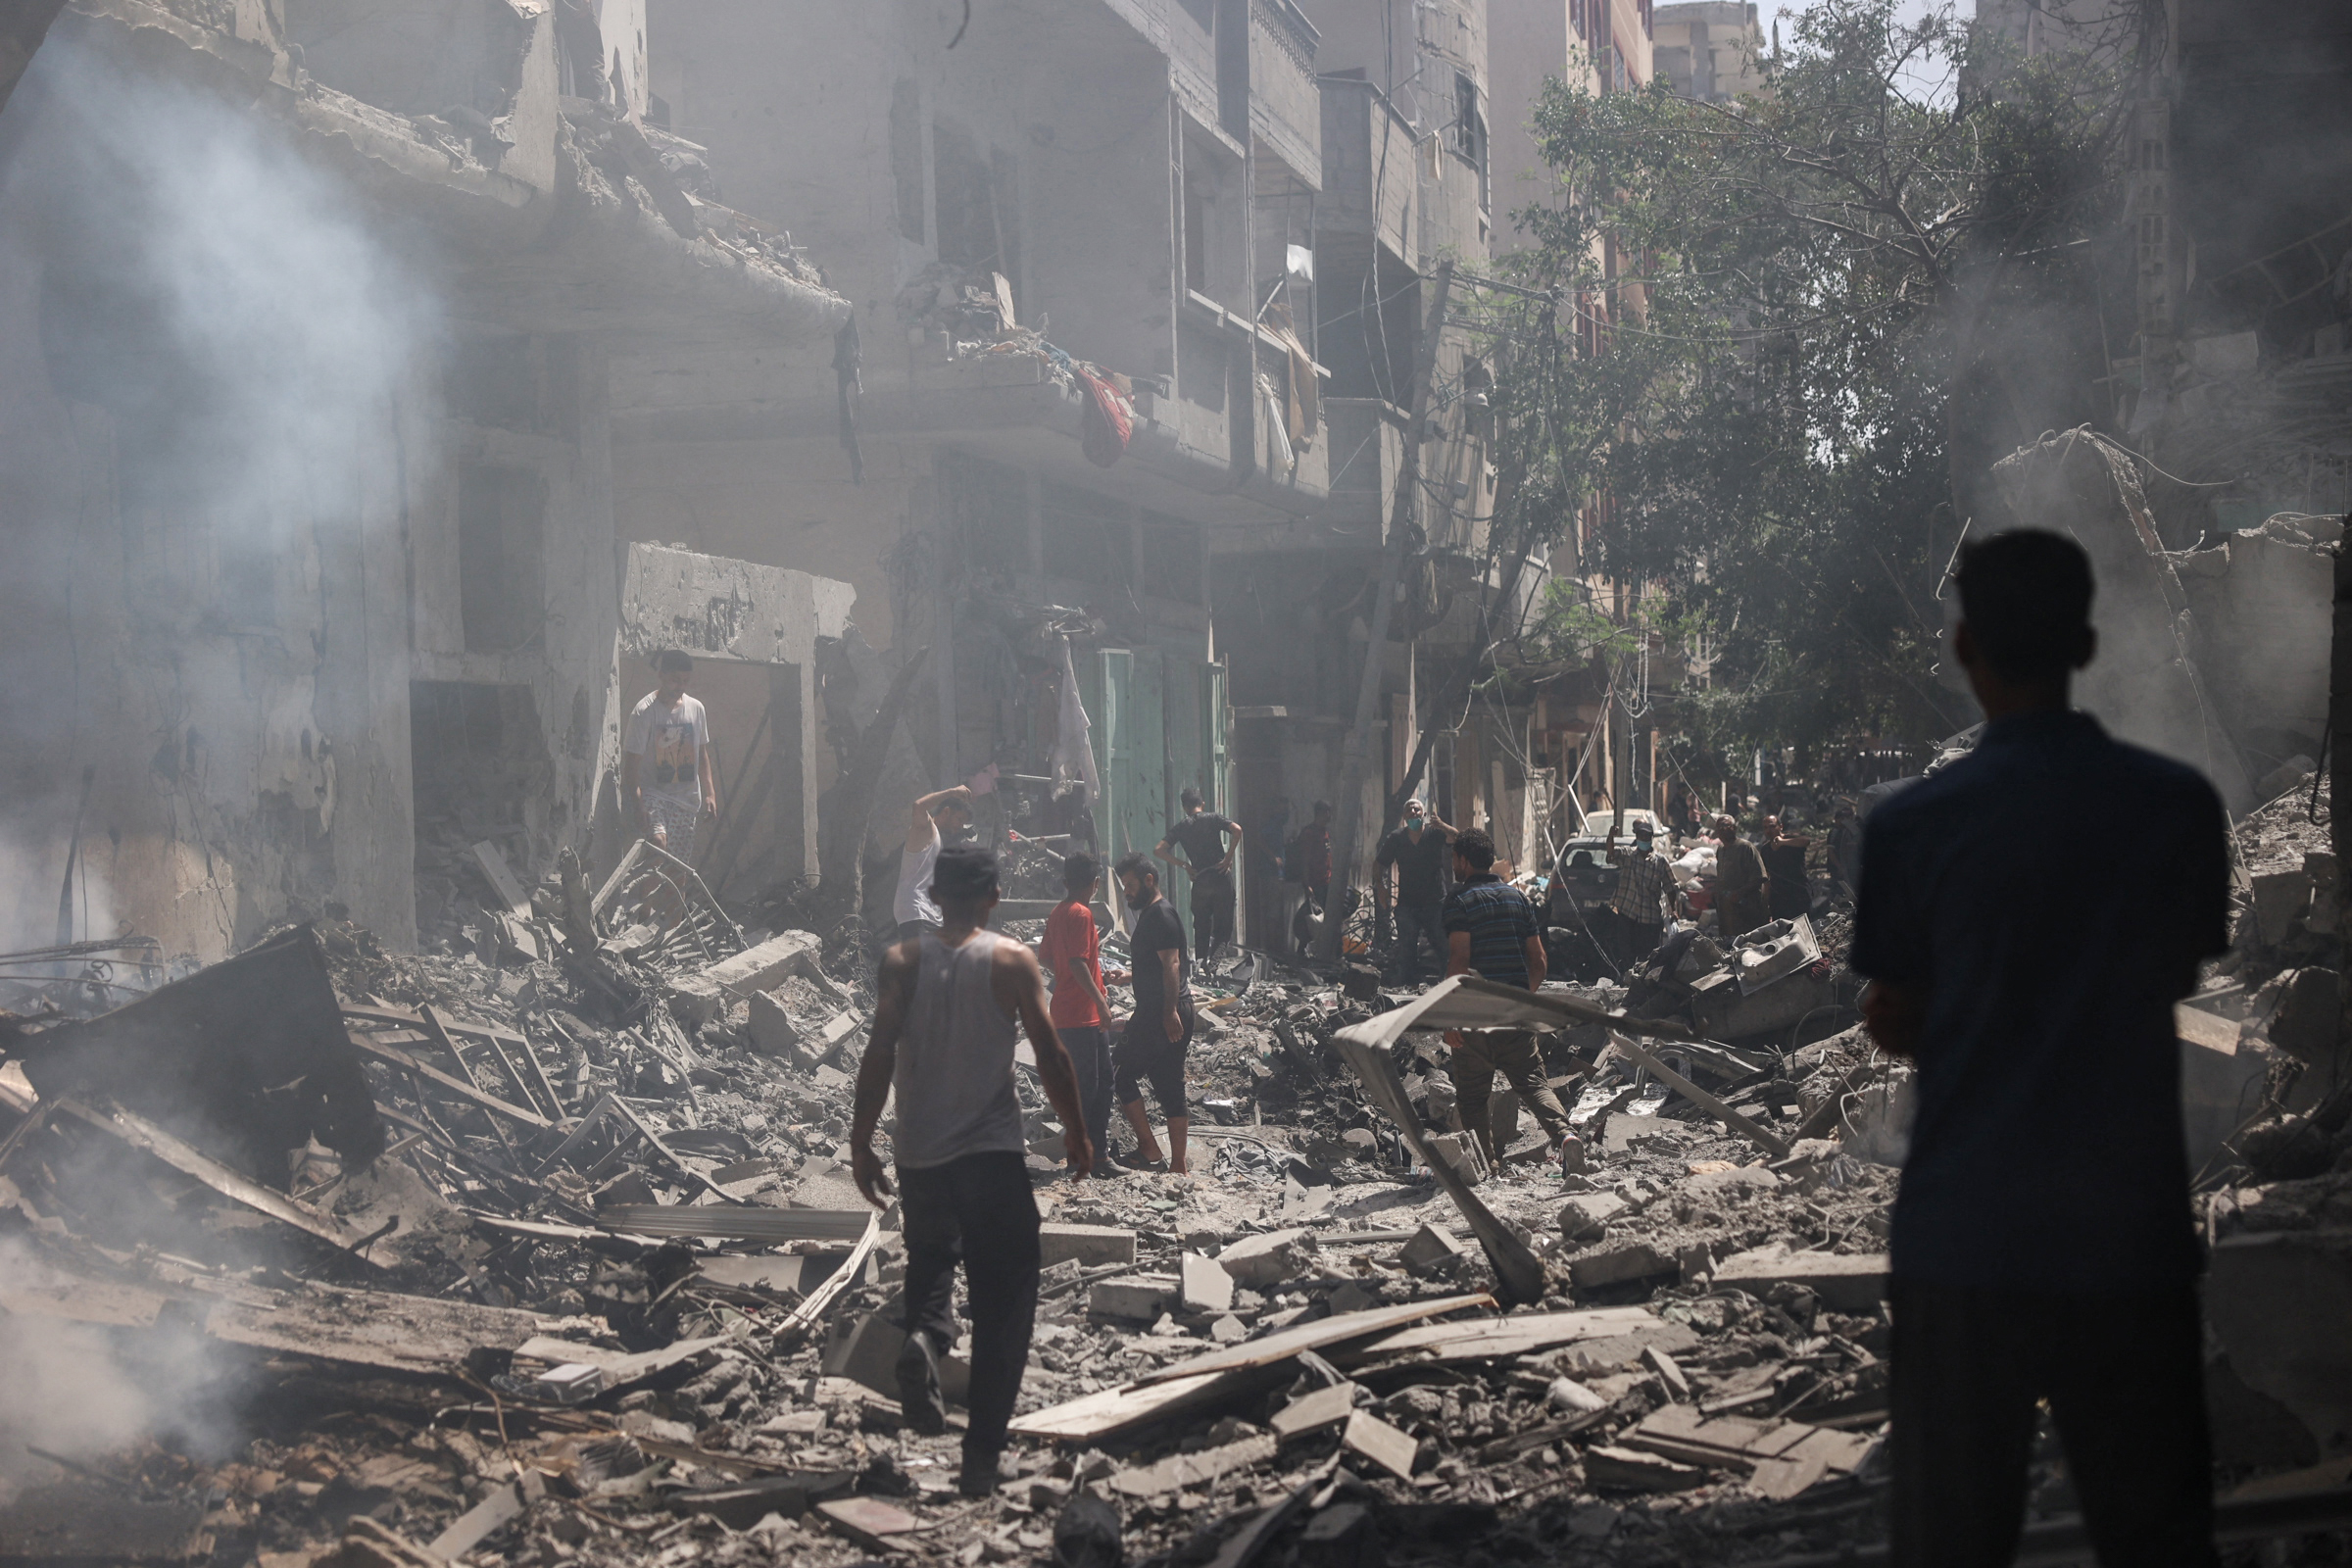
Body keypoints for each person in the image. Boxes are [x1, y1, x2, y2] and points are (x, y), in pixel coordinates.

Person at [1854, 530, 2229, 1568]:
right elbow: (2176, 977)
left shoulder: (1912, 827)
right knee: (2156, 1536)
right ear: (2086, 642)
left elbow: (1896, 1014)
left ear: (1965, 645)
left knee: (1951, 1539)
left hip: (1964, 1237)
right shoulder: (2175, 806)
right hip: (2126, 1234)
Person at [850, 844, 1094, 1497]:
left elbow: (878, 1051)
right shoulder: (1011, 960)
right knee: (1005, 1296)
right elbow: (1050, 1052)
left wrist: (861, 1141)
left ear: (934, 894)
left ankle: (927, 1338)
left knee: (931, 1257)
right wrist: (1075, 1129)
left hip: (920, 1154)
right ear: (993, 897)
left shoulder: (901, 961)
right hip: (990, 1154)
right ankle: (981, 1457)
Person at [1441, 829, 1575, 1163]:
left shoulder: (1459, 901)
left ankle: (1486, 1165)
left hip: (1475, 1018)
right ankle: (1567, 1136)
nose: (1453, 865)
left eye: (1455, 859)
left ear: (1464, 860)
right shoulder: (1519, 899)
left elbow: (1459, 960)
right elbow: (1539, 961)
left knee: (1473, 1098)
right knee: (1535, 1084)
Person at [1037, 851, 1127, 1180]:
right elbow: (1076, 962)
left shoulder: (1059, 912)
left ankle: (1097, 1155)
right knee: (1089, 1088)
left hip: (1073, 1014)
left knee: (1100, 1086)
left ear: (1065, 881)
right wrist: (1101, 1002)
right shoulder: (1081, 914)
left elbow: (1046, 957)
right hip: (1081, 1017)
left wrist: (1071, 977)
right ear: (1096, 883)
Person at [1110, 851, 1194, 1174]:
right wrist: (1129, 976)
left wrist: (1168, 1012)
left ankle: (1149, 1148)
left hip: (1160, 1013)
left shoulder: (1160, 914)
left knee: (1120, 1073)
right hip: (1167, 1010)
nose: (1127, 893)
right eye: (1124, 887)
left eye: (1130, 886)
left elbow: (1172, 964)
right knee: (1169, 1082)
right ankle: (1178, 1165)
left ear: (1149, 880)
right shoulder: (1154, 914)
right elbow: (1157, 965)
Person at [620, 651, 718, 854]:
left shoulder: (696, 709)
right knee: (658, 844)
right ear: (661, 675)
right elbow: (631, 765)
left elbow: (702, 755)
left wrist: (710, 794)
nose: (680, 686)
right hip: (653, 795)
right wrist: (638, 805)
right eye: (675, 680)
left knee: (675, 866)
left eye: (685, 681)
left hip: (686, 801)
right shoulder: (644, 712)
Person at [1154, 786, 1244, 958]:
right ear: (1202, 804)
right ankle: (1215, 959)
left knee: (1201, 926)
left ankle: (1200, 962)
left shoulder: (1181, 826)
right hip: (1220, 876)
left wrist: (1185, 866)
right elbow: (1237, 830)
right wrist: (1228, 858)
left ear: (1184, 807)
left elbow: (1158, 850)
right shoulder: (1213, 818)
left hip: (1200, 879)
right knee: (1223, 926)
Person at [1375, 799, 1455, 982]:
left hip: (1435, 901)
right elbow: (1379, 864)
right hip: (1407, 903)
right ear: (1404, 816)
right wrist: (1381, 886)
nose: (1413, 811)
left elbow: (1458, 838)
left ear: (1424, 814)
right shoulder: (1396, 838)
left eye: (1417, 809)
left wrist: (1442, 825)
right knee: (1406, 949)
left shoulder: (1435, 834)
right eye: (1409, 809)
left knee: (1443, 945)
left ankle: (1447, 982)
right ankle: (1407, 984)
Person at [894, 785, 974, 943]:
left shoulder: (939, 841)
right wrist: (952, 792)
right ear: (946, 812)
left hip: (931, 916)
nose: (960, 826)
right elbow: (918, 806)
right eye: (959, 819)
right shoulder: (926, 829)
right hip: (917, 912)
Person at [1607, 819, 1677, 969]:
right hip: (1627, 912)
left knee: (1648, 955)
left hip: (1649, 916)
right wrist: (1610, 836)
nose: (1643, 839)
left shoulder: (1660, 862)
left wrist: (1673, 910)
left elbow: (1671, 887)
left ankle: (1644, 979)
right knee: (1626, 952)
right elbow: (1611, 854)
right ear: (1636, 837)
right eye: (1641, 836)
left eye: (1646, 836)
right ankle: (1626, 977)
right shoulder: (1628, 855)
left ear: (1651, 838)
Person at [1287, 800, 1335, 954]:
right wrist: (1307, 884)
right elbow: (1304, 861)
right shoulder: (1309, 833)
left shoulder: (1324, 832)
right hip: (1315, 883)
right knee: (1312, 918)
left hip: (1326, 881)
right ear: (1320, 813)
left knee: (1323, 918)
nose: (1329, 816)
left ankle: (1319, 950)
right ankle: (1302, 949)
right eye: (1327, 812)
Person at [1713, 814, 1770, 939]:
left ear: (1734, 828)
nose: (1722, 829)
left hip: (1746, 908)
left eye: (1725, 825)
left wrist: (1739, 893)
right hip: (1727, 910)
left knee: (1748, 942)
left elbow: (1760, 877)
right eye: (1718, 827)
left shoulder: (1746, 847)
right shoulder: (1721, 850)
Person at [1759, 814, 1814, 921]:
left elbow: (1806, 841)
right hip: (1779, 898)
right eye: (1765, 828)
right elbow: (1767, 877)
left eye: (1772, 826)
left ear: (1780, 826)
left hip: (1798, 894)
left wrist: (1782, 842)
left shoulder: (1791, 840)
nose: (1769, 830)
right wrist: (1766, 901)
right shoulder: (1765, 850)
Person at [1827, 801, 1862, 893]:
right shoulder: (1835, 832)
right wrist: (1840, 867)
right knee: (1838, 892)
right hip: (1838, 869)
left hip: (1849, 868)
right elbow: (1830, 852)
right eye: (1841, 819)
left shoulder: (1850, 832)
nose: (1844, 821)